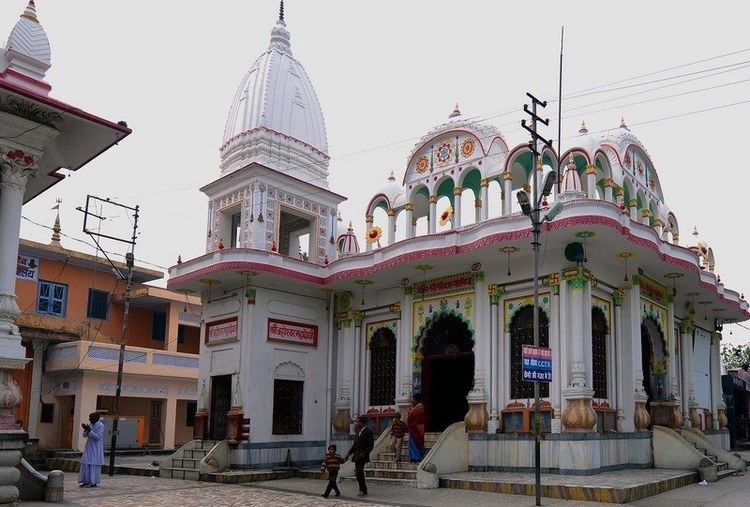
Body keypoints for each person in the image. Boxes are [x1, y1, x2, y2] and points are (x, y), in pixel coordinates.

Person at [344, 415, 374, 497]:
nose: (356, 423)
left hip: (362, 456)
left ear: (362, 423)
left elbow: (370, 446)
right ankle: (363, 488)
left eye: (357, 422)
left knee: (359, 472)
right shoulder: (358, 431)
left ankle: (362, 489)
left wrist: (364, 453)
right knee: (358, 473)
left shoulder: (368, 431)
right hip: (356, 455)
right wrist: (348, 454)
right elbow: (355, 445)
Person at [78, 412, 105, 487]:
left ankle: (93, 482)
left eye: (91, 418)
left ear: (96, 418)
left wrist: (90, 431)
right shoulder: (90, 425)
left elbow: (97, 437)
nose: (89, 419)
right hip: (88, 447)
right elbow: (84, 436)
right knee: (86, 463)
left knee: (93, 465)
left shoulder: (101, 426)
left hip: (96, 449)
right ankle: (85, 481)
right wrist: (85, 430)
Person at [407, 393, 425, 462]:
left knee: (416, 443)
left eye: (413, 400)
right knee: (416, 442)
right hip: (415, 428)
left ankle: (416, 457)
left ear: (416, 400)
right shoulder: (416, 408)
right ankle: (416, 456)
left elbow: (416, 420)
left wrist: (410, 412)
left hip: (416, 428)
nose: (412, 401)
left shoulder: (418, 408)